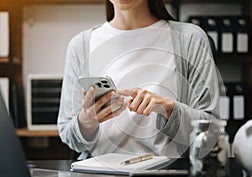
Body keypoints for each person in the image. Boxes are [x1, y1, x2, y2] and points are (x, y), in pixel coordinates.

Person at [58, 0, 222, 159]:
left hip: (166, 176)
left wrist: (168, 108)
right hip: (98, 175)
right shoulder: (80, 46)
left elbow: (211, 131)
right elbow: (68, 135)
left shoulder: (190, 39)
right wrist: (86, 122)